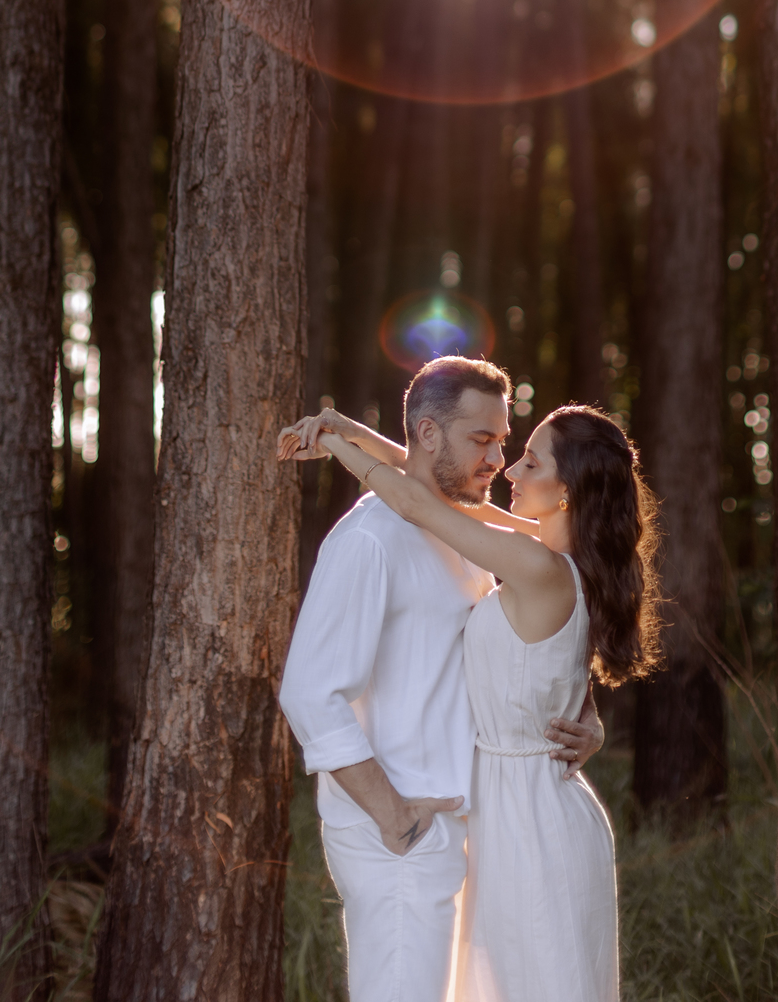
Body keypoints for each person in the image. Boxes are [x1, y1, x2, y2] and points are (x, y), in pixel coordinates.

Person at [279, 369, 661, 1002]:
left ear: (565, 491)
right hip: (433, 826)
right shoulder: (414, 539)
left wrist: (339, 445)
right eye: (486, 440)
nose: (506, 465)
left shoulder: (522, 556)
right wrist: (394, 817)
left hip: (514, 819)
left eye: (522, 455)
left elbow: (420, 498)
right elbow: (310, 691)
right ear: (432, 433)